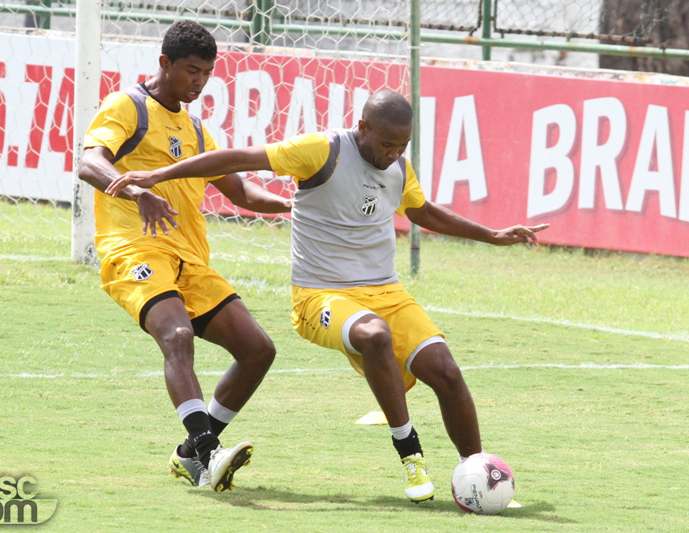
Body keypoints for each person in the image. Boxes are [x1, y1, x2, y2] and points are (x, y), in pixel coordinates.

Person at [105, 89, 549, 502]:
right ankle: (410, 456)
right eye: (387, 143)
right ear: (362, 128)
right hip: (320, 297)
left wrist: (492, 235)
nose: (394, 153)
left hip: (385, 292)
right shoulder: (322, 150)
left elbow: (423, 211)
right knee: (373, 335)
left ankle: (476, 472)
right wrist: (160, 174)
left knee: (446, 372)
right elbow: (240, 157)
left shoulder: (399, 168)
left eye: (404, 145)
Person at [77, 20, 292, 493]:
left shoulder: (195, 128)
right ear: (164, 64)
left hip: (188, 260)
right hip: (132, 248)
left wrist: (292, 205)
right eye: (190, 71)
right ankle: (210, 453)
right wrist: (136, 191)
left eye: (206, 74)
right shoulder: (127, 106)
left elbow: (241, 191)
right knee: (176, 334)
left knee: (258, 351)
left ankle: (191, 453)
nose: (198, 82)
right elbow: (89, 161)